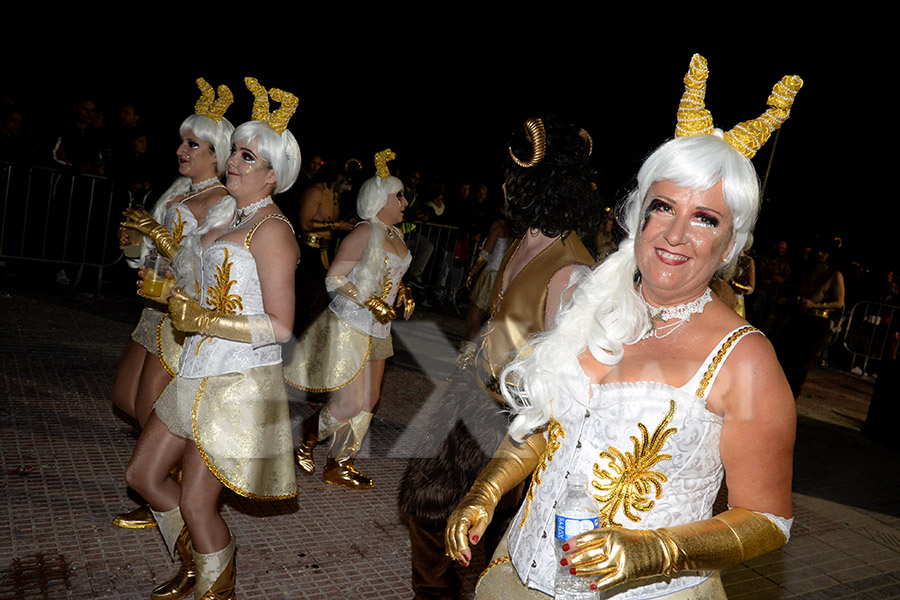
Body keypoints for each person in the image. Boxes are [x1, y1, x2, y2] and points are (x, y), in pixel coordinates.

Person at [446, 55, 802, 599]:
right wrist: (488, 489)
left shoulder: (744, 358)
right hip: (522, 573)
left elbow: (767, 518)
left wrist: (656, 550)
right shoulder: (593, 307)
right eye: (664, 208)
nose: (676, 234)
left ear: (729, 245)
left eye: (706, 218)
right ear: (639, 216)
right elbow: (549, 422)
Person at [398, 116, 599, 599]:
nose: (504, 185)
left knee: (471, 531)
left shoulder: (570, 270)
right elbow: (499, 321)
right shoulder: (523, 239)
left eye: (513, 177)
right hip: (471, 401)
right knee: (427, 513)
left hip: (514, 424)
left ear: (539, 184)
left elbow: (566, 382)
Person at [124, 77, 301, 600]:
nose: (234, 164)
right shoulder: (236, 216)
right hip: (198, 367)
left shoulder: (272, 231)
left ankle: (213, 583)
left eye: (249, 158)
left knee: (199, 503)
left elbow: (282, 325)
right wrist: (175, 286)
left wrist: (201, 318)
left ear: (272, 176)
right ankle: (198, 558)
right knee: (144, 474)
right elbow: (215, 287)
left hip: (236, 380)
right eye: (237, 154)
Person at [112, 79, 233, 529]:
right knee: (124, 398)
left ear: (216, 154)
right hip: (153, 308)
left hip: (179, 317)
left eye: (193, 144)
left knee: (152, 411)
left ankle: (174, 502)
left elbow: (203, 268)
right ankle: (167, 479)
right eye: (183, 141)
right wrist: (135, 243)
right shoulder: (178, 191)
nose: (182, 150)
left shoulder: (220, 202)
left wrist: (158, 234)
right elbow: (155, 259)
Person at [286, 149, 413, 489]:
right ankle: (305, 437)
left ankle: (340, 463)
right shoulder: (363, 233)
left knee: (369, 400)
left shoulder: (396, 236)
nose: (404, 202)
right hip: (351, 324)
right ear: (380, 200)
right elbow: (334, 279)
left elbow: (390, 274)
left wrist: (403, 294)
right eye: (397, 196)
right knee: (349, 402)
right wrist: (372, 302)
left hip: (379, 328)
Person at [292, 162, 359, 335]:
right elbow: (305, 224)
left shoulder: (335, 194)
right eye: (348, 182)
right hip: (308, 253)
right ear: (339, 176)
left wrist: (345, 224)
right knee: (308, 299)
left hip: (325, 253)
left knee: (323, 300)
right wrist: (338, 225)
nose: (349, 188)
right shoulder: (316, 192)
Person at [776, 237, 845, 398]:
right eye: (819, 251)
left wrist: (815, 305)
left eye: (824, 252)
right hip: (800, 318)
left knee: (802, 364)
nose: (820, 254)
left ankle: (791, 397)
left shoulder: (834, 274)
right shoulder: (807, 270)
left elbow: (839, 302)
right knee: (785, 358)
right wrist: (789, 301)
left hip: (818, 322)